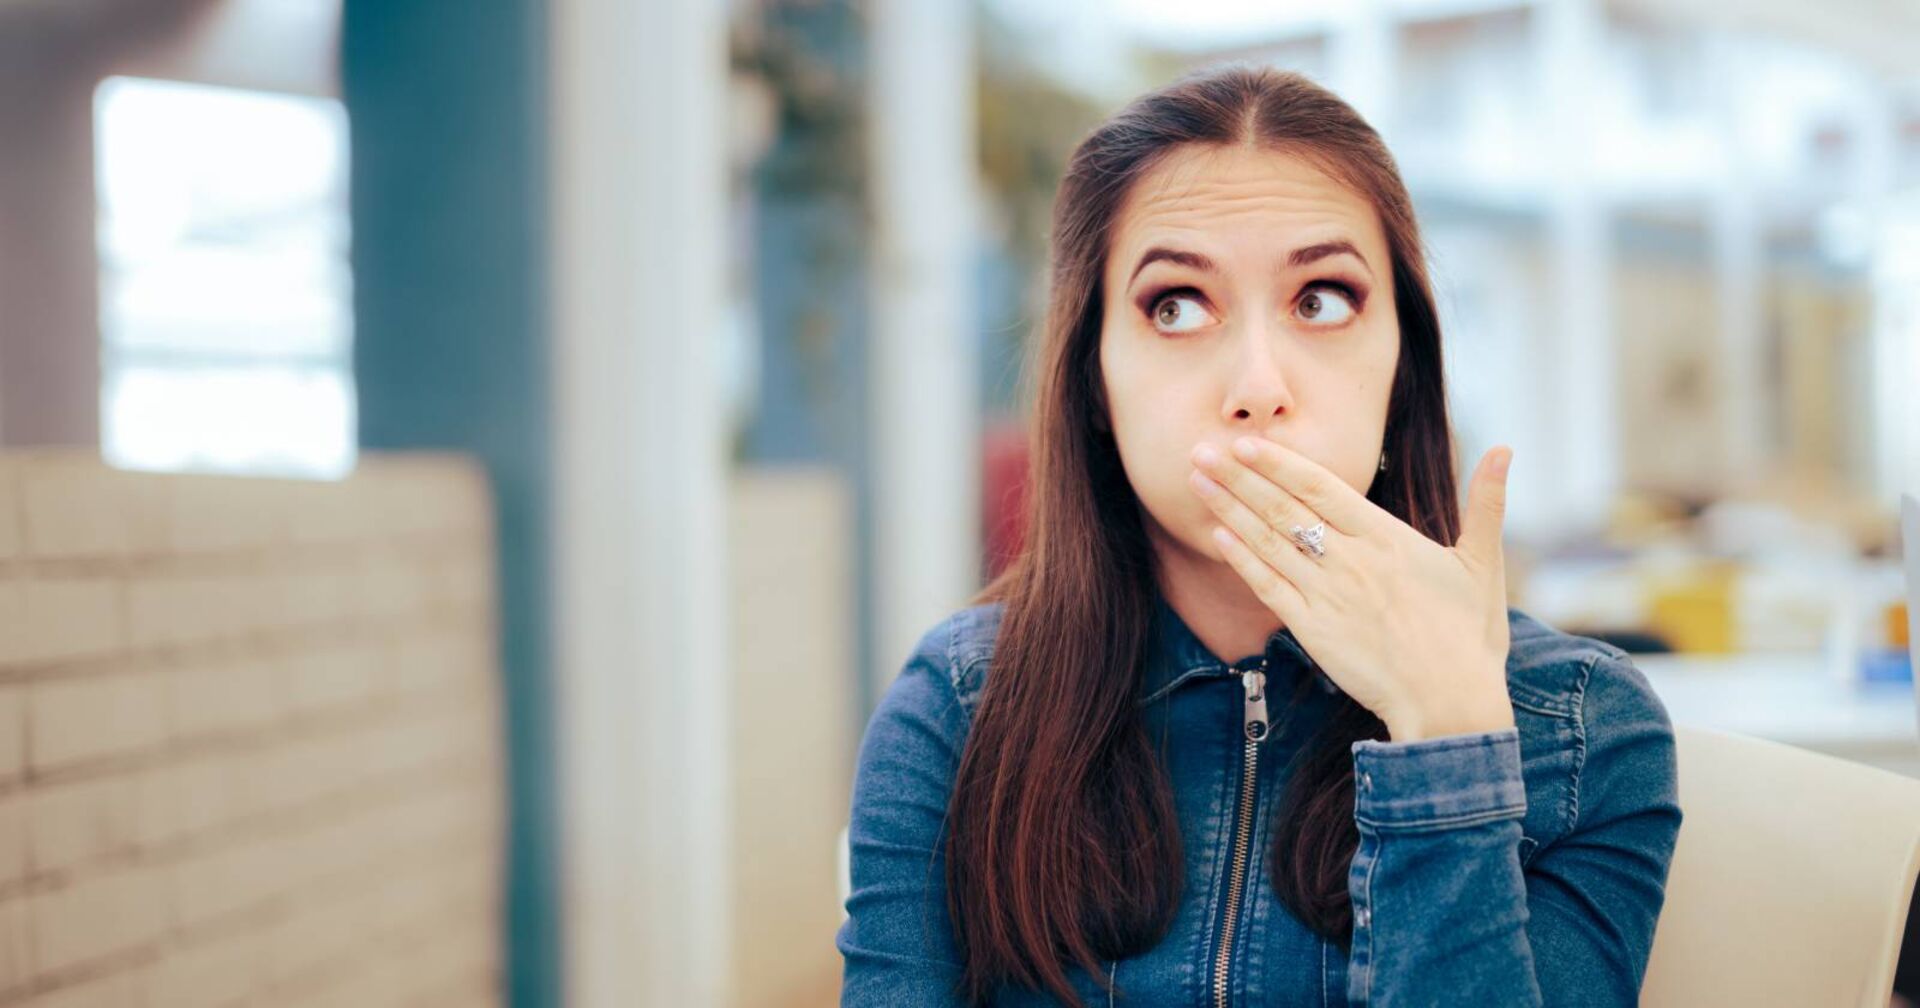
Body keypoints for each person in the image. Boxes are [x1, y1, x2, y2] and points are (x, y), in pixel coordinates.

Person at [836, 64, 1682, 1007]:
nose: (1257, 384)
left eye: (1321, 299)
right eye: (1177, 306)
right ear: (1094, 382)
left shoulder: (1582, 725)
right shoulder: (957, 708)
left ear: (1403, 366)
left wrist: (1448, 736)